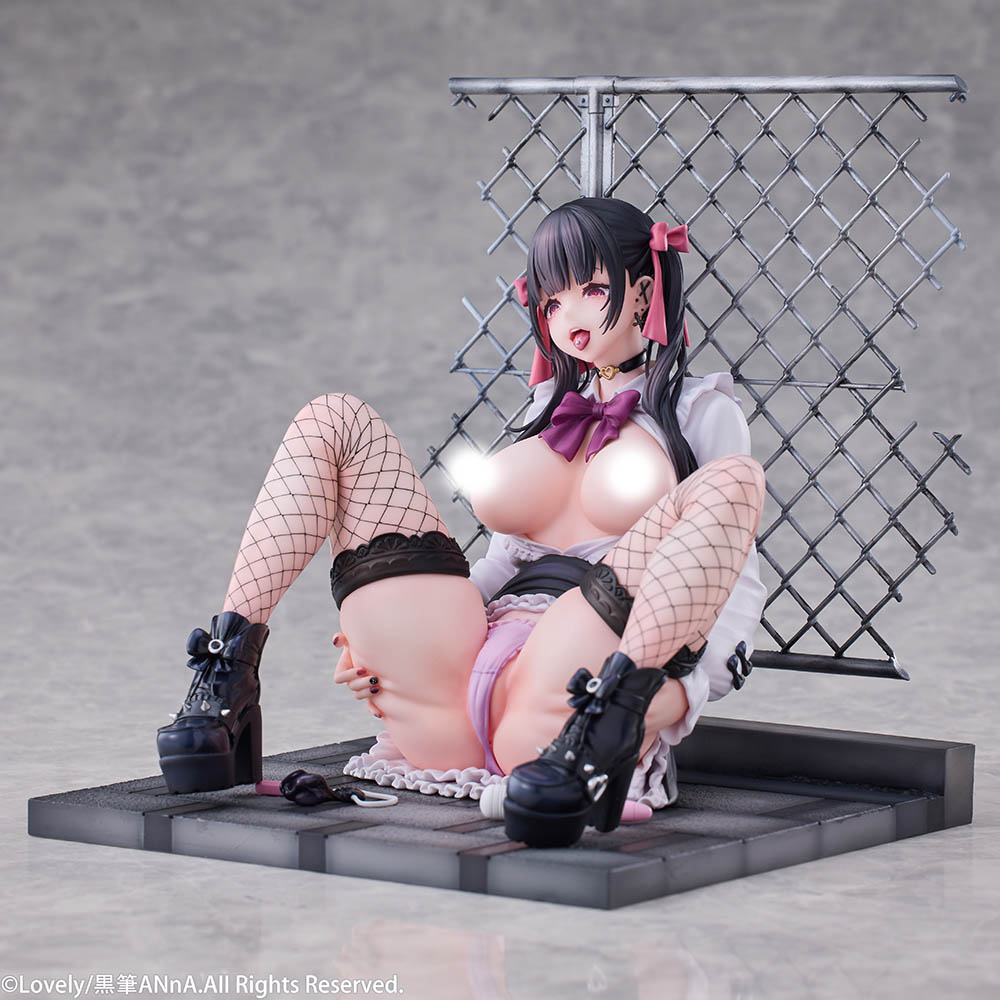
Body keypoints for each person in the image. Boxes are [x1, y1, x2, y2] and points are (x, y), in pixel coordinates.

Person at [157, 197, 766, 848]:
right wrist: (402, 634)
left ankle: (601, 737)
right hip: (449, 700)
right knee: (331, 419)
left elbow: (734, 590)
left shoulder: (699, 411)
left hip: (570, 697)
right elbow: (506, 559)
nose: (569, 317)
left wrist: (678, 695)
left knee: (736, 480)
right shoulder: (546, 405)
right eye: (552, 302)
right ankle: (225, 677)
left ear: (643, 291)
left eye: (591, 291)